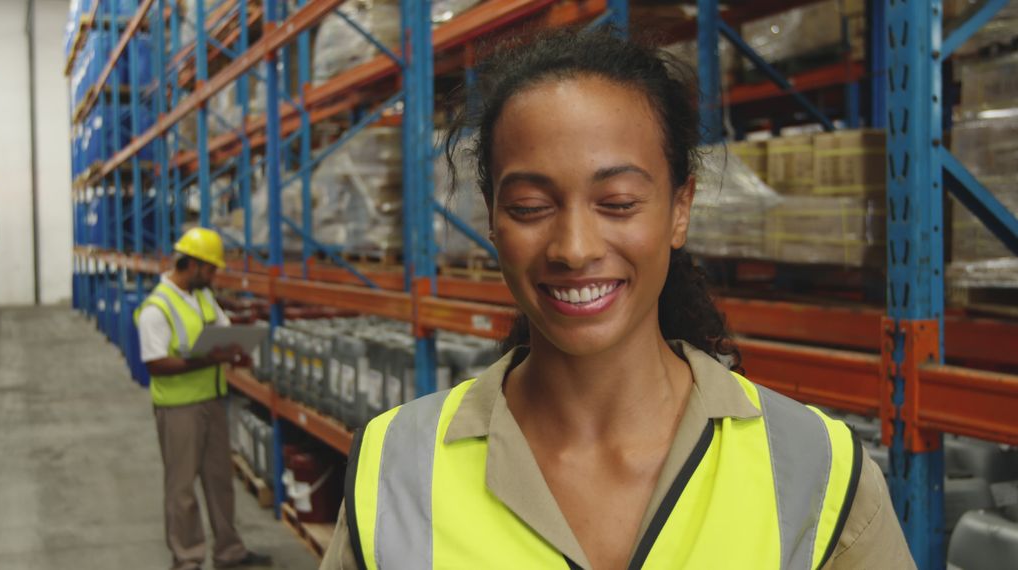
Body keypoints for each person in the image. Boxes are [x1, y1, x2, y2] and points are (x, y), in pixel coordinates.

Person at [320, 29, 914, 570]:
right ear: (494, 218)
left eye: (619, 203)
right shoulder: (395, 467)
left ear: (680, 208)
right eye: (530, 207)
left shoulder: (819, 470)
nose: (574, 249)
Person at [136, 227, 272, 570]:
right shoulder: (156, 308)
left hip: (213, 400)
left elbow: (222, 330)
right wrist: (208, 360)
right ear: (192, 264)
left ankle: (229, 551)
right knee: (181, 488)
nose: (214, 276)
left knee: (220, 481)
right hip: (178, 407)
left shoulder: (202, 297)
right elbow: (155, 365)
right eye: (210, 269)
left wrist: (237, 347)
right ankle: (187, 558)